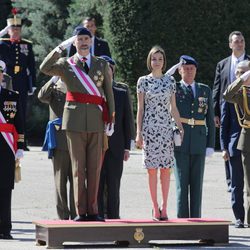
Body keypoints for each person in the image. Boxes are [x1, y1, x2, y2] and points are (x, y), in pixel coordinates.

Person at [40, 27, 115, 222]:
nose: (83, 42)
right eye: (79, 39)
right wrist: (59, 48)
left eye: (86, 38)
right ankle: (81, 212)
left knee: (95, 169)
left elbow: (109, 93)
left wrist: (111, 119)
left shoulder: (101, 64)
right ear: (74, 43)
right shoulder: (67, 64)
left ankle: (93, 210)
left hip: (97, 121)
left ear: (91, 42)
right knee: (77, 168)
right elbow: (44, 68)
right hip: (73, 122)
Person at [135, 46, 183, 221]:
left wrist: (180, 127)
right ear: (150, 61)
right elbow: (140, 109)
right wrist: (138, 132)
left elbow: (173, 107)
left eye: (160, 59)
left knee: (166, 169)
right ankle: (155, 207)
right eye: (154, 59)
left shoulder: (170, 81)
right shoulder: (143, 81)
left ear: (164, 62)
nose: (157, 62)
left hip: (165, 129)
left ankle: (164, 206)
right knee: (152, 170)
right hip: (149, 130)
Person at [174, 55, 215, 218]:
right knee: (181, 184)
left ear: (196, 70)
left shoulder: (204, 89)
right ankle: (182, 220)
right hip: (181, 140)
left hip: (199, 140)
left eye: (192, 69)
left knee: (197, 184)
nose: (189, 71)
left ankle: (196, 219)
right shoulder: (174, 88)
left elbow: (210, 119)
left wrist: (210, 144)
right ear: (180, 70)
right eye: (186, 68)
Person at [213, 31, 250, 192]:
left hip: (246, 109)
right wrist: (215, 112)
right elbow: (218, 88)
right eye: (236, 41)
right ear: (230, 44)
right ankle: (231, 181)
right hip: (227, 108)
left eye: (242, 41)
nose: (240, 44)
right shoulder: (222, 64)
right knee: (229, 146)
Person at [98, 55, 133, 219]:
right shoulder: (95, 92)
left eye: (109, 69)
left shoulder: (121, 93)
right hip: (96, 145)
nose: (108, 72)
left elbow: (127, 121)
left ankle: (114, 217)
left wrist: (127, 146)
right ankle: (96, 215)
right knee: (97, 183)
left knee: (114, 184)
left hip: (117, 146)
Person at [38, 76, 76, 220]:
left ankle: (75, 214)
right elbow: (41, 96)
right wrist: (53, 80)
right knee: (60, 181)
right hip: (59, 140)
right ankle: (63, 216)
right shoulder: (53, 89)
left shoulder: (75, 85)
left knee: (76, 181)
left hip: (75, 138)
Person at [0, 12, 36, 151]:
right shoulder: (3, 43)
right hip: (5, 80)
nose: (15, 32)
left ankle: (22, 142)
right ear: (8, 31)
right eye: (13, 29)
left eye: (17, 29)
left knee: (21, 110)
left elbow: (31, 65)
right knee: (6, 110)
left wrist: (33, 84)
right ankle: (6, 137)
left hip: (21, 80)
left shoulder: (27, 44)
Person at [223, 60, 250, 228]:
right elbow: (227, 95)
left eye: (244, 72)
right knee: (245, 182)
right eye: (238, 73)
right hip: (247, 140)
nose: (239, 75)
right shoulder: (241, 93)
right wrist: (242, 80)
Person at [0, 60, 24, 239]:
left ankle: (5, 228)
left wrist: (21, 146)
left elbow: (20, 122)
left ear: (3, 75)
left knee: (6, 188)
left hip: (7, 147)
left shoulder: (12, 96)